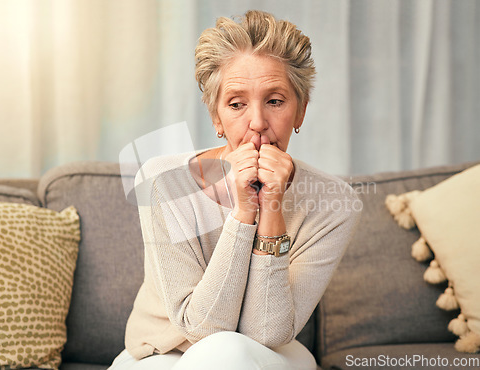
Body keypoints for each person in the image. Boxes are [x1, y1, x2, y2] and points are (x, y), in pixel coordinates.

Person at [110, 10, 361, 370]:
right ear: (216, 117)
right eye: (236, 104)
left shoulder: (336, 205)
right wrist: (243, 214)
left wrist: (270, 208)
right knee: (219, 352)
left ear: (301, 111)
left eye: (275, 101)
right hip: (162, 354)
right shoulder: (163, 183)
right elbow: (201, 328)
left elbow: (267, 331)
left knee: (228, 353)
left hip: (270, 356)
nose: (257, 122)